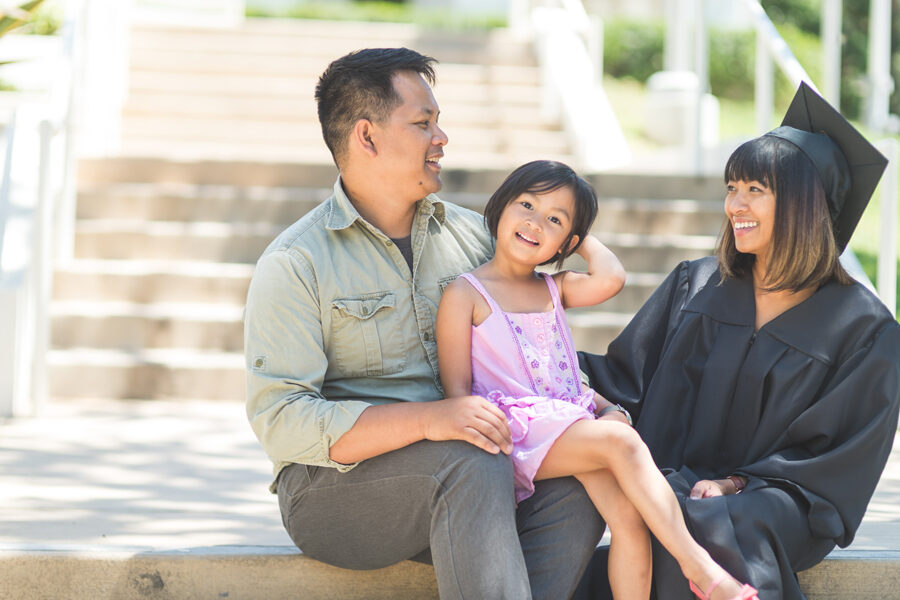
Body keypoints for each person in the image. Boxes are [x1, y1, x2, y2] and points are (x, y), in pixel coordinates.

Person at [243, 47, 606, 599]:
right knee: (471, 456)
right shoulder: (296, 263)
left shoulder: (478, 239)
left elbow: (534, 340)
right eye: (422, 123)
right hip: (335, 491)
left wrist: (598, 409)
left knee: (587, 474)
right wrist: (431, 420)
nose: (442, 138)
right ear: (367, 137)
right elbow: (283, 420)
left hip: (469, 468)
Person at [575, 82, 900, 600]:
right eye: (733, 186)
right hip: (673, 478)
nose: (735, 204)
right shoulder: (697, 284)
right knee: (670, 507)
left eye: (756, 190)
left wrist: (736, 484)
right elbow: (624, 379)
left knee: (718, 521)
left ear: (806, 206)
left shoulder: (865, 330)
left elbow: (834, 460)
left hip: (776, 503)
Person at [437, 160, 759, 600]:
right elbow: (457, 393)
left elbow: (612, 277)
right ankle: (702, 571)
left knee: (629, 519)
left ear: (567, 241)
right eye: (526, 205)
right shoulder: (466, 293)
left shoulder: (554, 286)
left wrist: (576, 236)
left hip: (565, 423)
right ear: (501, 206)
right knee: (622, 442)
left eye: (553, 219)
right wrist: (558, 221)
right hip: (512, 433)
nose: (534, 222)